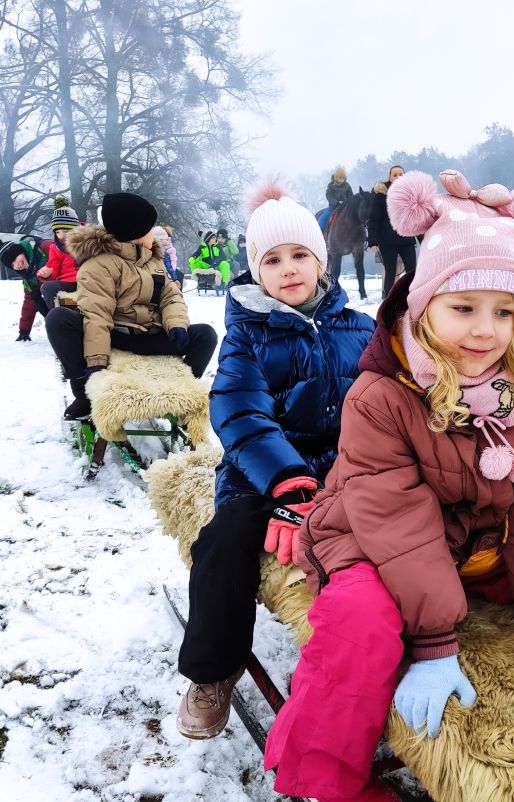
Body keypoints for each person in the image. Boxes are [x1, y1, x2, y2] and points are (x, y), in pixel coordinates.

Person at [264, 170, 514, 802]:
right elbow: (395, 520)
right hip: (371, 540)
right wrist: (432, 642)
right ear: (424, 306)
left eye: (503, 312)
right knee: (359, 620)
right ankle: (327, 777)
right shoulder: (381, 395)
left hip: (470, 545)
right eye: (463, 308)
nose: (485, 330)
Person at [175, 185, 376, 745]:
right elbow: (240, 411)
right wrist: (288, 481)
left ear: (321, 260)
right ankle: (213, 669)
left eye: (299, 255)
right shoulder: (247, 335)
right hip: (263, 476)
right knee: (224, 542)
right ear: (255, 270)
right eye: (272, 260)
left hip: (345, 472)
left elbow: (383, 403)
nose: (288, 269)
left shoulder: (360, 329)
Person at [44, 192, 218, 420]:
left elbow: (171, 297)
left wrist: (176, 325)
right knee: (58, 319)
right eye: (149, 228)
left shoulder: (153, 260)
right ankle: (84, 394)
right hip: (116, 336)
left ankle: (180, 392)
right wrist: (96, 362)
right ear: (134, 233)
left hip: (149, 335)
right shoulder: (99, 264)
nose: (153, 233)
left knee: (205, 334)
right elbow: (97, 315)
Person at [367, 165, 417, 299]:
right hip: (387, 241)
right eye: (395, 175)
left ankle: (412, 299)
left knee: (412, 272)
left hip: (407, 240)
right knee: (390, 273)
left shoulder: (411, 195)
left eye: (401, 174)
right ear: (389, 177)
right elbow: (374, 219)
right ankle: (388, 301)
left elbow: (416, 218)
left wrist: (424, 240)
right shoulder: (381, 195)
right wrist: (373, 241)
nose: (398, 177)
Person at [0, 235, 50, 341]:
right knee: (35, 298)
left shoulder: (44, 248)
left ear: (21, 252)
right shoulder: (29, 276)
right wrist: (24, 331)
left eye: (14, 259)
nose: (17, 265)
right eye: (12, 265)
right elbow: (29, 303)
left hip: (73, 290)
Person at [38, 197, 82, 309]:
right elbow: (53, 266)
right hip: (66, 283)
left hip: (86, 280)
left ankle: (79, 306)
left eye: (66, 231)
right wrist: (47, 274)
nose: (61, 236)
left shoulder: (88, 242)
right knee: (48, 288)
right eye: (57, 232)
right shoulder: (55, 248)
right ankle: (67, 309)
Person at [319, 166, 353, 233]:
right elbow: (329, 195)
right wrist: (336, 203)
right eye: (340, 178)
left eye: (343, 178)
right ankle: (321, 231)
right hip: (333, 206)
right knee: (324, 216)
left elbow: (350, 196)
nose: (341, 180)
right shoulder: (331, 185)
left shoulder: (347, 186)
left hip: (345, 207)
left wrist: (346, 202)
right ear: (336, 177)